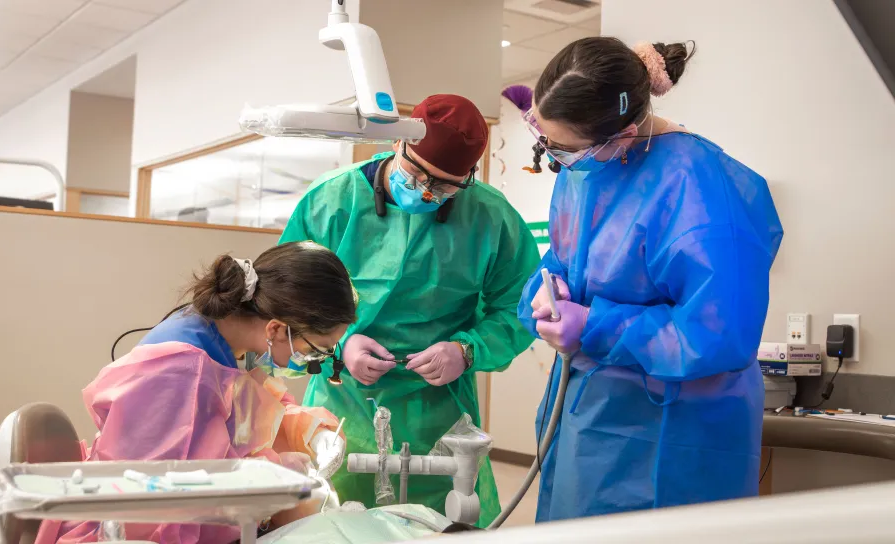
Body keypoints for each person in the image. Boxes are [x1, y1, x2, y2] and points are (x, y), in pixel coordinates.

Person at [517, 38, 784, 522]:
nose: (557, 162)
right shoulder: (586, 172)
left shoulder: (707, 191)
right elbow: (562, 258)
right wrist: (545, 290)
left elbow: (716, 335)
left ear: (625, 134)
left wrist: (595, 326)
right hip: (584, 424)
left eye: (565, 150)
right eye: (547, 145)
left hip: (669, 441)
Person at [280, 94, 540, 525]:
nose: (425, 189)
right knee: (335, 519)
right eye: (417, 172)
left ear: (468, 176)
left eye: (444, 184)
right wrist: (340, 345)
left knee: (443, 519)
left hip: (439, 410)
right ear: (398, 145)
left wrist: (467, 350)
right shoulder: (331, 201)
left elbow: (520, 305)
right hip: (341, 402)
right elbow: (287, 296)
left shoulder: (490, 217)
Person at [35, 242, 357, 544]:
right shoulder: (182, 370)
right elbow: (169, 504)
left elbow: (252, 412)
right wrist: (278, 477)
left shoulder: (231, 337)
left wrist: (312, 431)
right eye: (317, 349)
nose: (315, 360)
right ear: (275, 328)